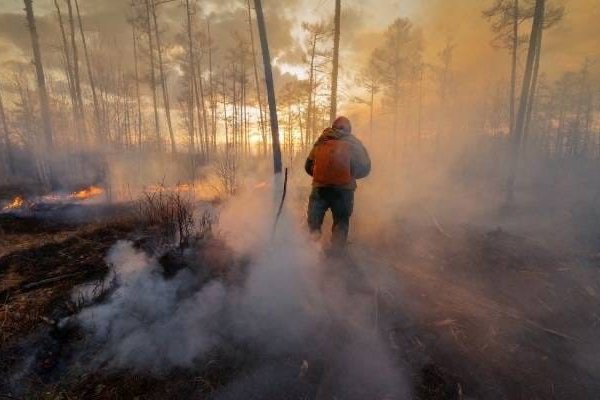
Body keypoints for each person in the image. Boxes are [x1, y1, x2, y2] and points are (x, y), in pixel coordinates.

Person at [304, 116, 371, 250]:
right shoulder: (354, 143)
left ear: (333, 127)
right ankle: (337, 254)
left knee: (314, 222)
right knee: (341, 221)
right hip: (344, 191)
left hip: (320, 189)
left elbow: (308, 166)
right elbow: (365, 167)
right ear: (349, 129)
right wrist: (350, 175)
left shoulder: (322, 140)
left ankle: (311, 251)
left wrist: (320, 177)